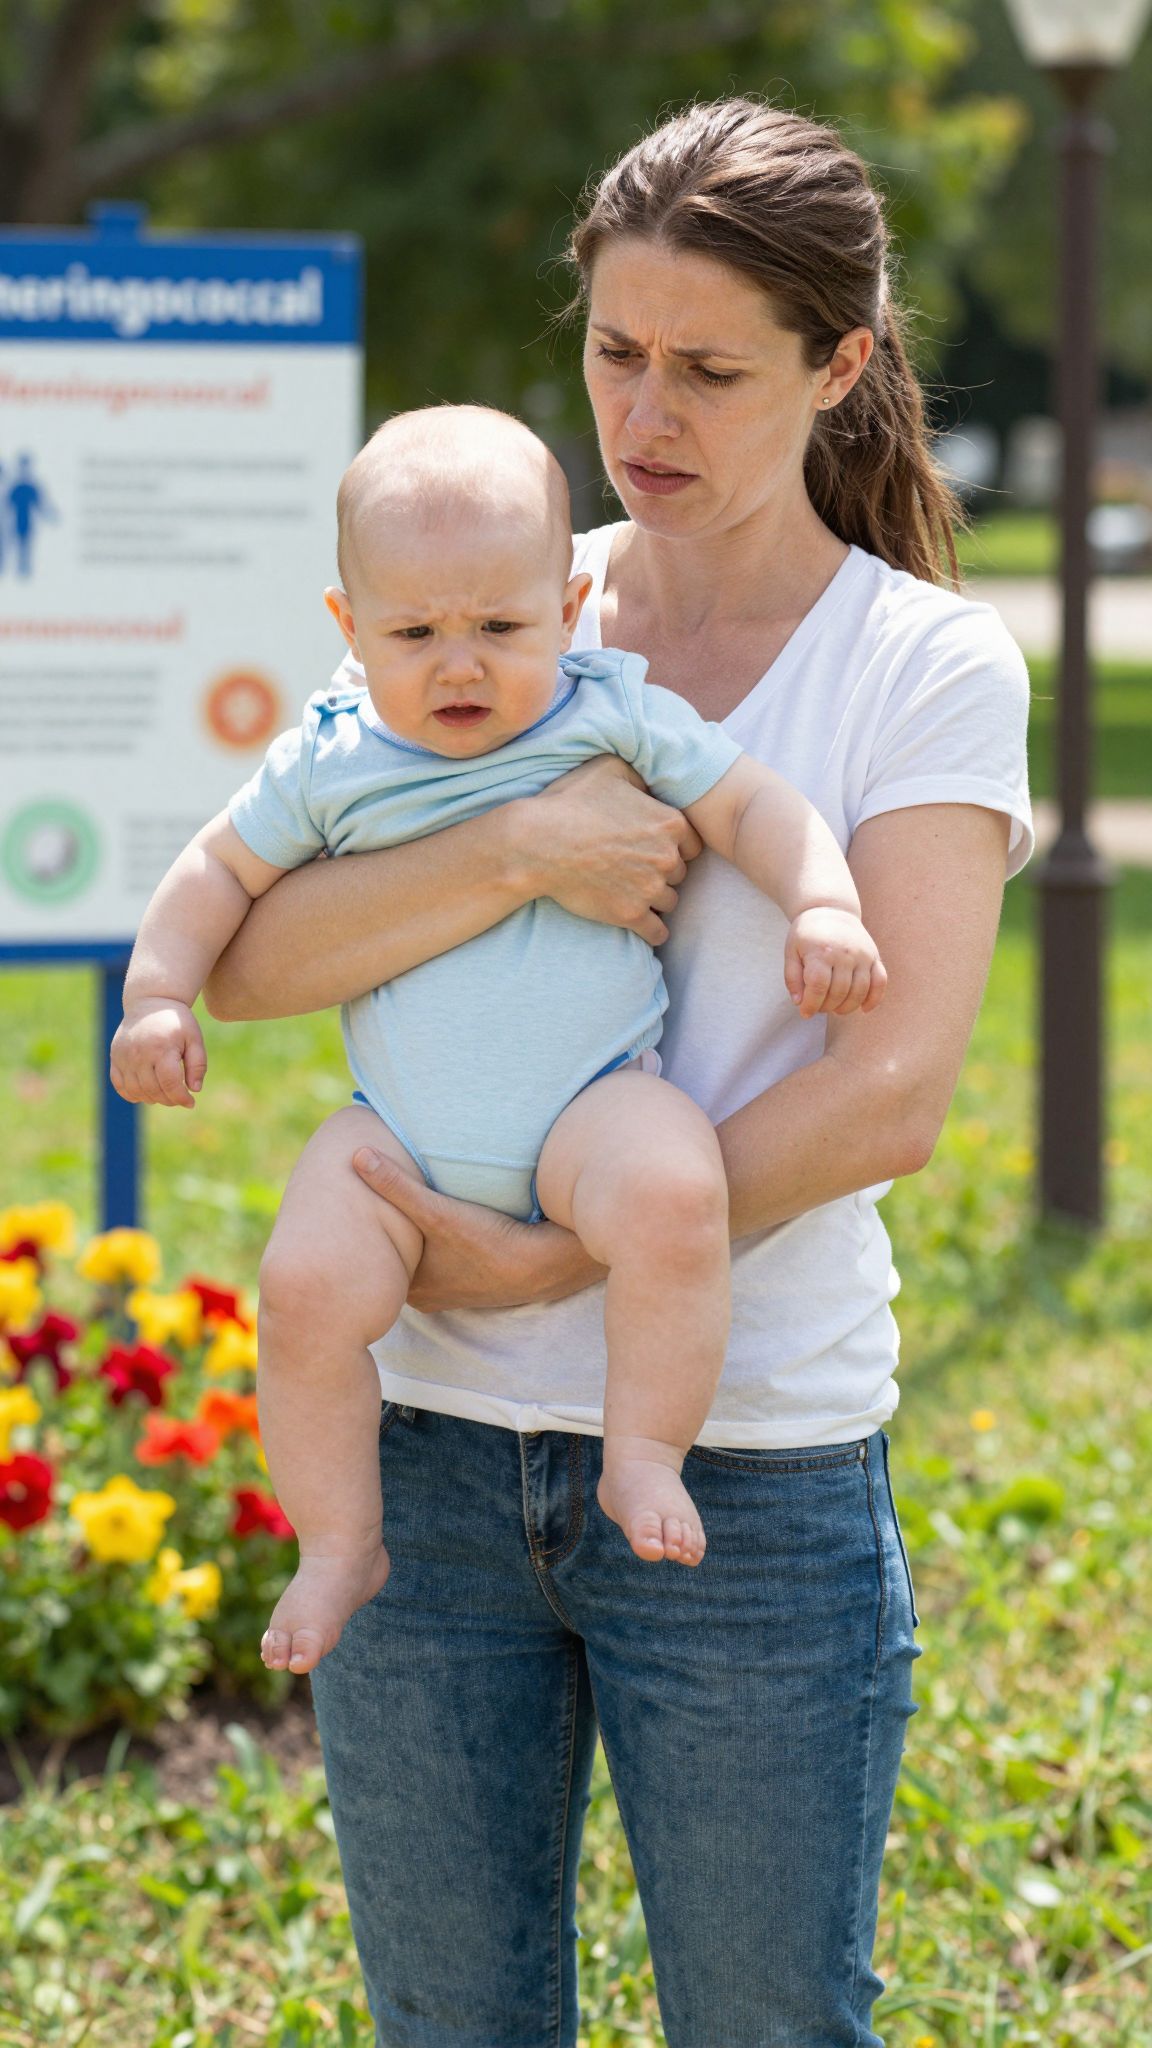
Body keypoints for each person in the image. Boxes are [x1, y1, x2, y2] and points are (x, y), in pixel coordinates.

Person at [201, 98, 1032, 2048]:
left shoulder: (921, 666)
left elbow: (895, 1084)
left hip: (745, 1476)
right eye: (613, 352)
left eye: (709, 370)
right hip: (423, 1462)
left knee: (762, 2021)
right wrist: (512, 849)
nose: (641, 412)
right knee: (453, 2024)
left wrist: (556, 1257)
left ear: (837, 368)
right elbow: (240, 952)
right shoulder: (492, 602)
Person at [111, 401, 886, 1667]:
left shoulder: (604, 710)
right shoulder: (330, 755)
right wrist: (157, 995)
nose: (459, 664)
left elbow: (757, 804)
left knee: (675, 1195)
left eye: (500, 628)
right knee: (304, 1289)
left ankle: (643, 1454)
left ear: (569, 610)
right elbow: (213, 875)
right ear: (347, 627)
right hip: (397, 1139)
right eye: (414, 632)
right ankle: (336, 1537)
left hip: (593, 1098)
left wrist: (824, 901)